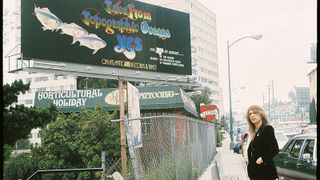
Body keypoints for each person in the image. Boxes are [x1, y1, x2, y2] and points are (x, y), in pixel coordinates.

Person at [246, 105, 279, 180]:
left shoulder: (267, 129)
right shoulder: (256, 132)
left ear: (261, 114)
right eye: (250, 114)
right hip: (256, 175)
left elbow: (274, 149)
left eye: (255, 113)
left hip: (266, 174)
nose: (252, 115)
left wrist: (262, 159)